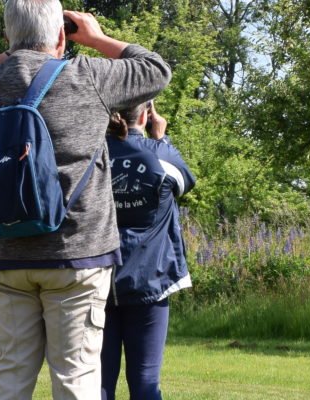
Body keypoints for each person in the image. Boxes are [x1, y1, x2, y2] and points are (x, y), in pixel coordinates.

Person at [0, 1, 172, 398]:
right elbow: (156, 69)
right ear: (62, 35)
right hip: (76, 254)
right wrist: (96, 38)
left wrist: (10, 52)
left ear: (8, 37)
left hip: (3, 253)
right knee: (76, 376)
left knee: (8, 374)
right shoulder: (89, 76)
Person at [100, 102, 194, 400]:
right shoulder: (159, 154)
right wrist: (161, 137)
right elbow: (185, 182)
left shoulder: (94, 154)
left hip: (99, 279)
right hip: (150, 280)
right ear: (145, 115)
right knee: (145, 381)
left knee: (98, 381)